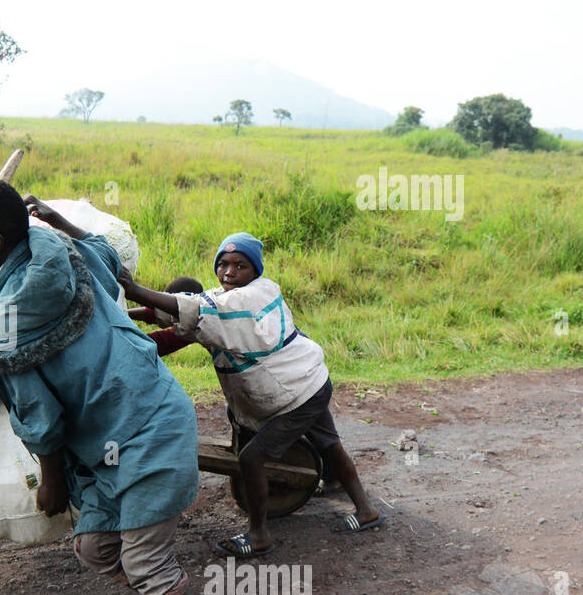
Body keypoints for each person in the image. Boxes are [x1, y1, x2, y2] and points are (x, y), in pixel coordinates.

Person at [0, 178, 233, 595]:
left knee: (145, 559)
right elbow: (109, 257)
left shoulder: (8, 326)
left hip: (145, 433)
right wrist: (59, 220)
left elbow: (40, 418)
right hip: (126, 429)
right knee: (95, 550)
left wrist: (51, 483)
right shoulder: (64, 249)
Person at [119, 232, 384, 558]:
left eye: (240, 266)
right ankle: (361, 505)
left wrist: (132, 290)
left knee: (252, 457)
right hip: (309, 382)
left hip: (295, 393)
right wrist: (122, 317)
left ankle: (259, 535)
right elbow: (172, 327)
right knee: (328, 442)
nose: (229, 272)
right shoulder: (223, 299)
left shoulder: (248, 298)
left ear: (254, 271)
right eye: (223, 264)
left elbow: (189, 313)